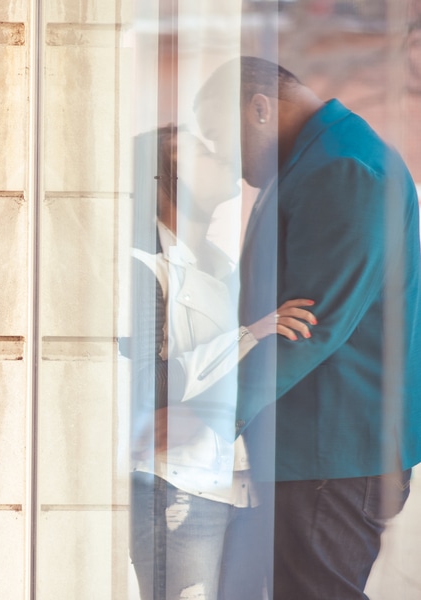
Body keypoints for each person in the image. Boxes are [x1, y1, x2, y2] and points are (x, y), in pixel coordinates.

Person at [194, 56, 421, 599]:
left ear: (260, 108)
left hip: (329, 452)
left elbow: (311, 326)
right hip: (315, 448)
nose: (225, 162)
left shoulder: (342, 167)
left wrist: (211, 420)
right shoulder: (317, 159)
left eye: (220, 140)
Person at [128, 125, 314, 600]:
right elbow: (148, 386)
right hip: (176, 489)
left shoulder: (227, 265)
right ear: (164, 176)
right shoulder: (142, 266)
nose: (223, 154)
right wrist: (249, 335)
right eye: (203, 149)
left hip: (237, 485)